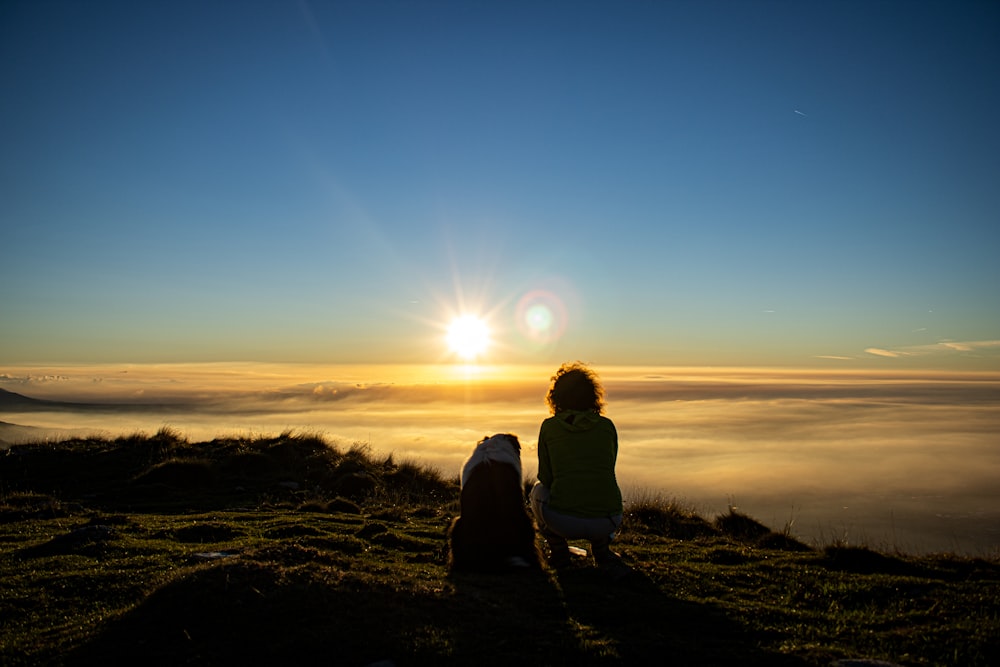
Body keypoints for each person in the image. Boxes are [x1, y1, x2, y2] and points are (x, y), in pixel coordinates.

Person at [530, 362, 628, 578]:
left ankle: (559, 552)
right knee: (598, 488)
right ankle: (602, 552)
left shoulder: (550, 427)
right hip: (609, 519)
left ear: (556, 397)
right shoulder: (607, 426)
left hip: (563, 521)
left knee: (536, 491)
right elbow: (605, 469)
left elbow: (545, 477)